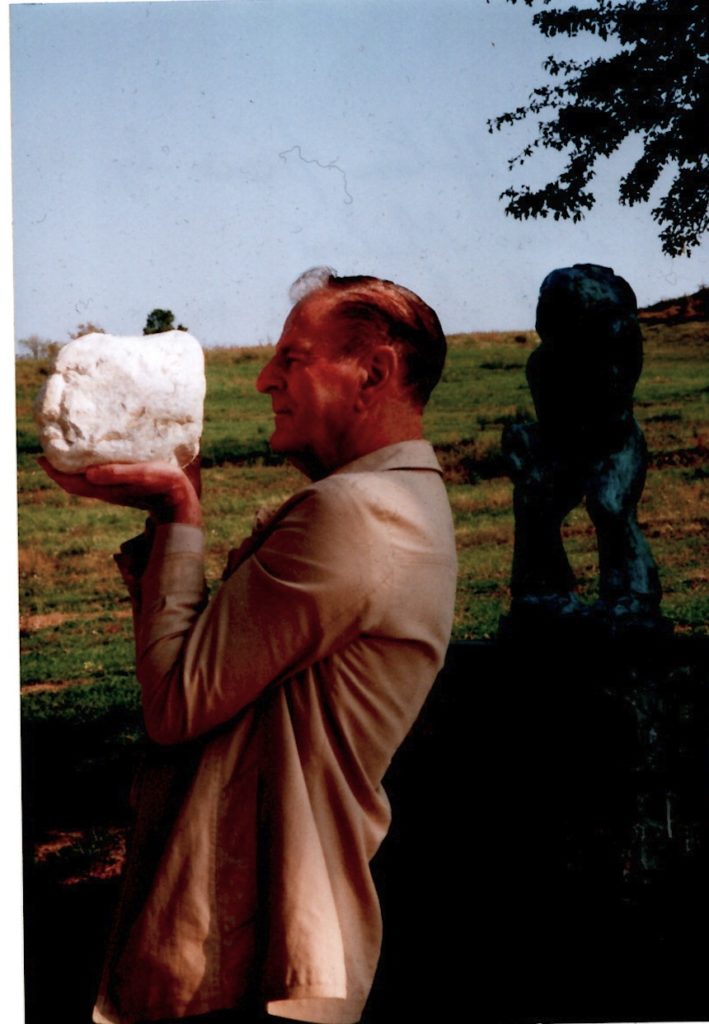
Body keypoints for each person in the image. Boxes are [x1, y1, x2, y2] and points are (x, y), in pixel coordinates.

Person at [40, 268, 458, 1024]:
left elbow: (175, 703)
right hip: (285, 938)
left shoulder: (353, 515)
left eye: (292, 358)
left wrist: (176, 508)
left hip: (244, 950)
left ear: (374, 372)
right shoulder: (400, 501)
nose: (265, 380)